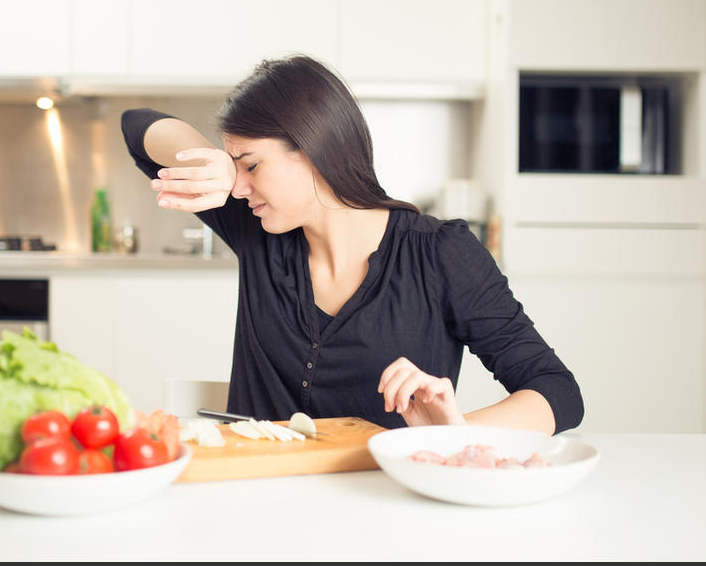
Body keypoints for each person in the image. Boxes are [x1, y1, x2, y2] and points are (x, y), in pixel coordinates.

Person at [121, 54, 583, 434]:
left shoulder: (441, 254)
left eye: (253, 166)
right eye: (236, 169)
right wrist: (220, 163)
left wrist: (452, 435)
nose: (239, 188)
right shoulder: (259, 229)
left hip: (379, 512)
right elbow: (137, 126)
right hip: (257, 503)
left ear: (313, 150)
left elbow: (556, 391)